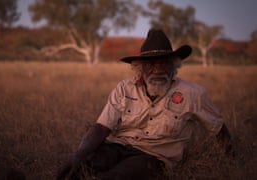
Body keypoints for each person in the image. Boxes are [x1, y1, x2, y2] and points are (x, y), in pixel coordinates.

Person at [56, 29, 233, 180]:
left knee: (116, 177)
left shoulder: (193, 94)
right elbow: (101, 127)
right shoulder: (125, 88)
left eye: (164, 62)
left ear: (174, 65)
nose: (158, 70)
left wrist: (234, 163)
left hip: (154, 158)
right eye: (151, 64)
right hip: (116, 147)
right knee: (81, 168)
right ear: (140, 67)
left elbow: (218, 128)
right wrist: (78, 155)